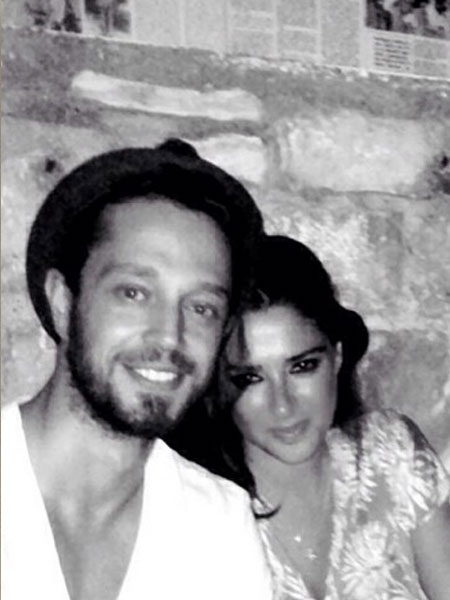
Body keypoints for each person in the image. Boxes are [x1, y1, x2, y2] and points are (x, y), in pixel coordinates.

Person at [1, 139, 274, 600]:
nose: (170, 335)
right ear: (63, 304)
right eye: (134, 293)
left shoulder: (219, 525)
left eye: (202, 307)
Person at [173, 234, 450, 600]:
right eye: (250, 378)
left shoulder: (391, 453)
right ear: (216, 383)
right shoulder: (191, 511)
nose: (283, 405)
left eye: (302, 366)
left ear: (337, 356)